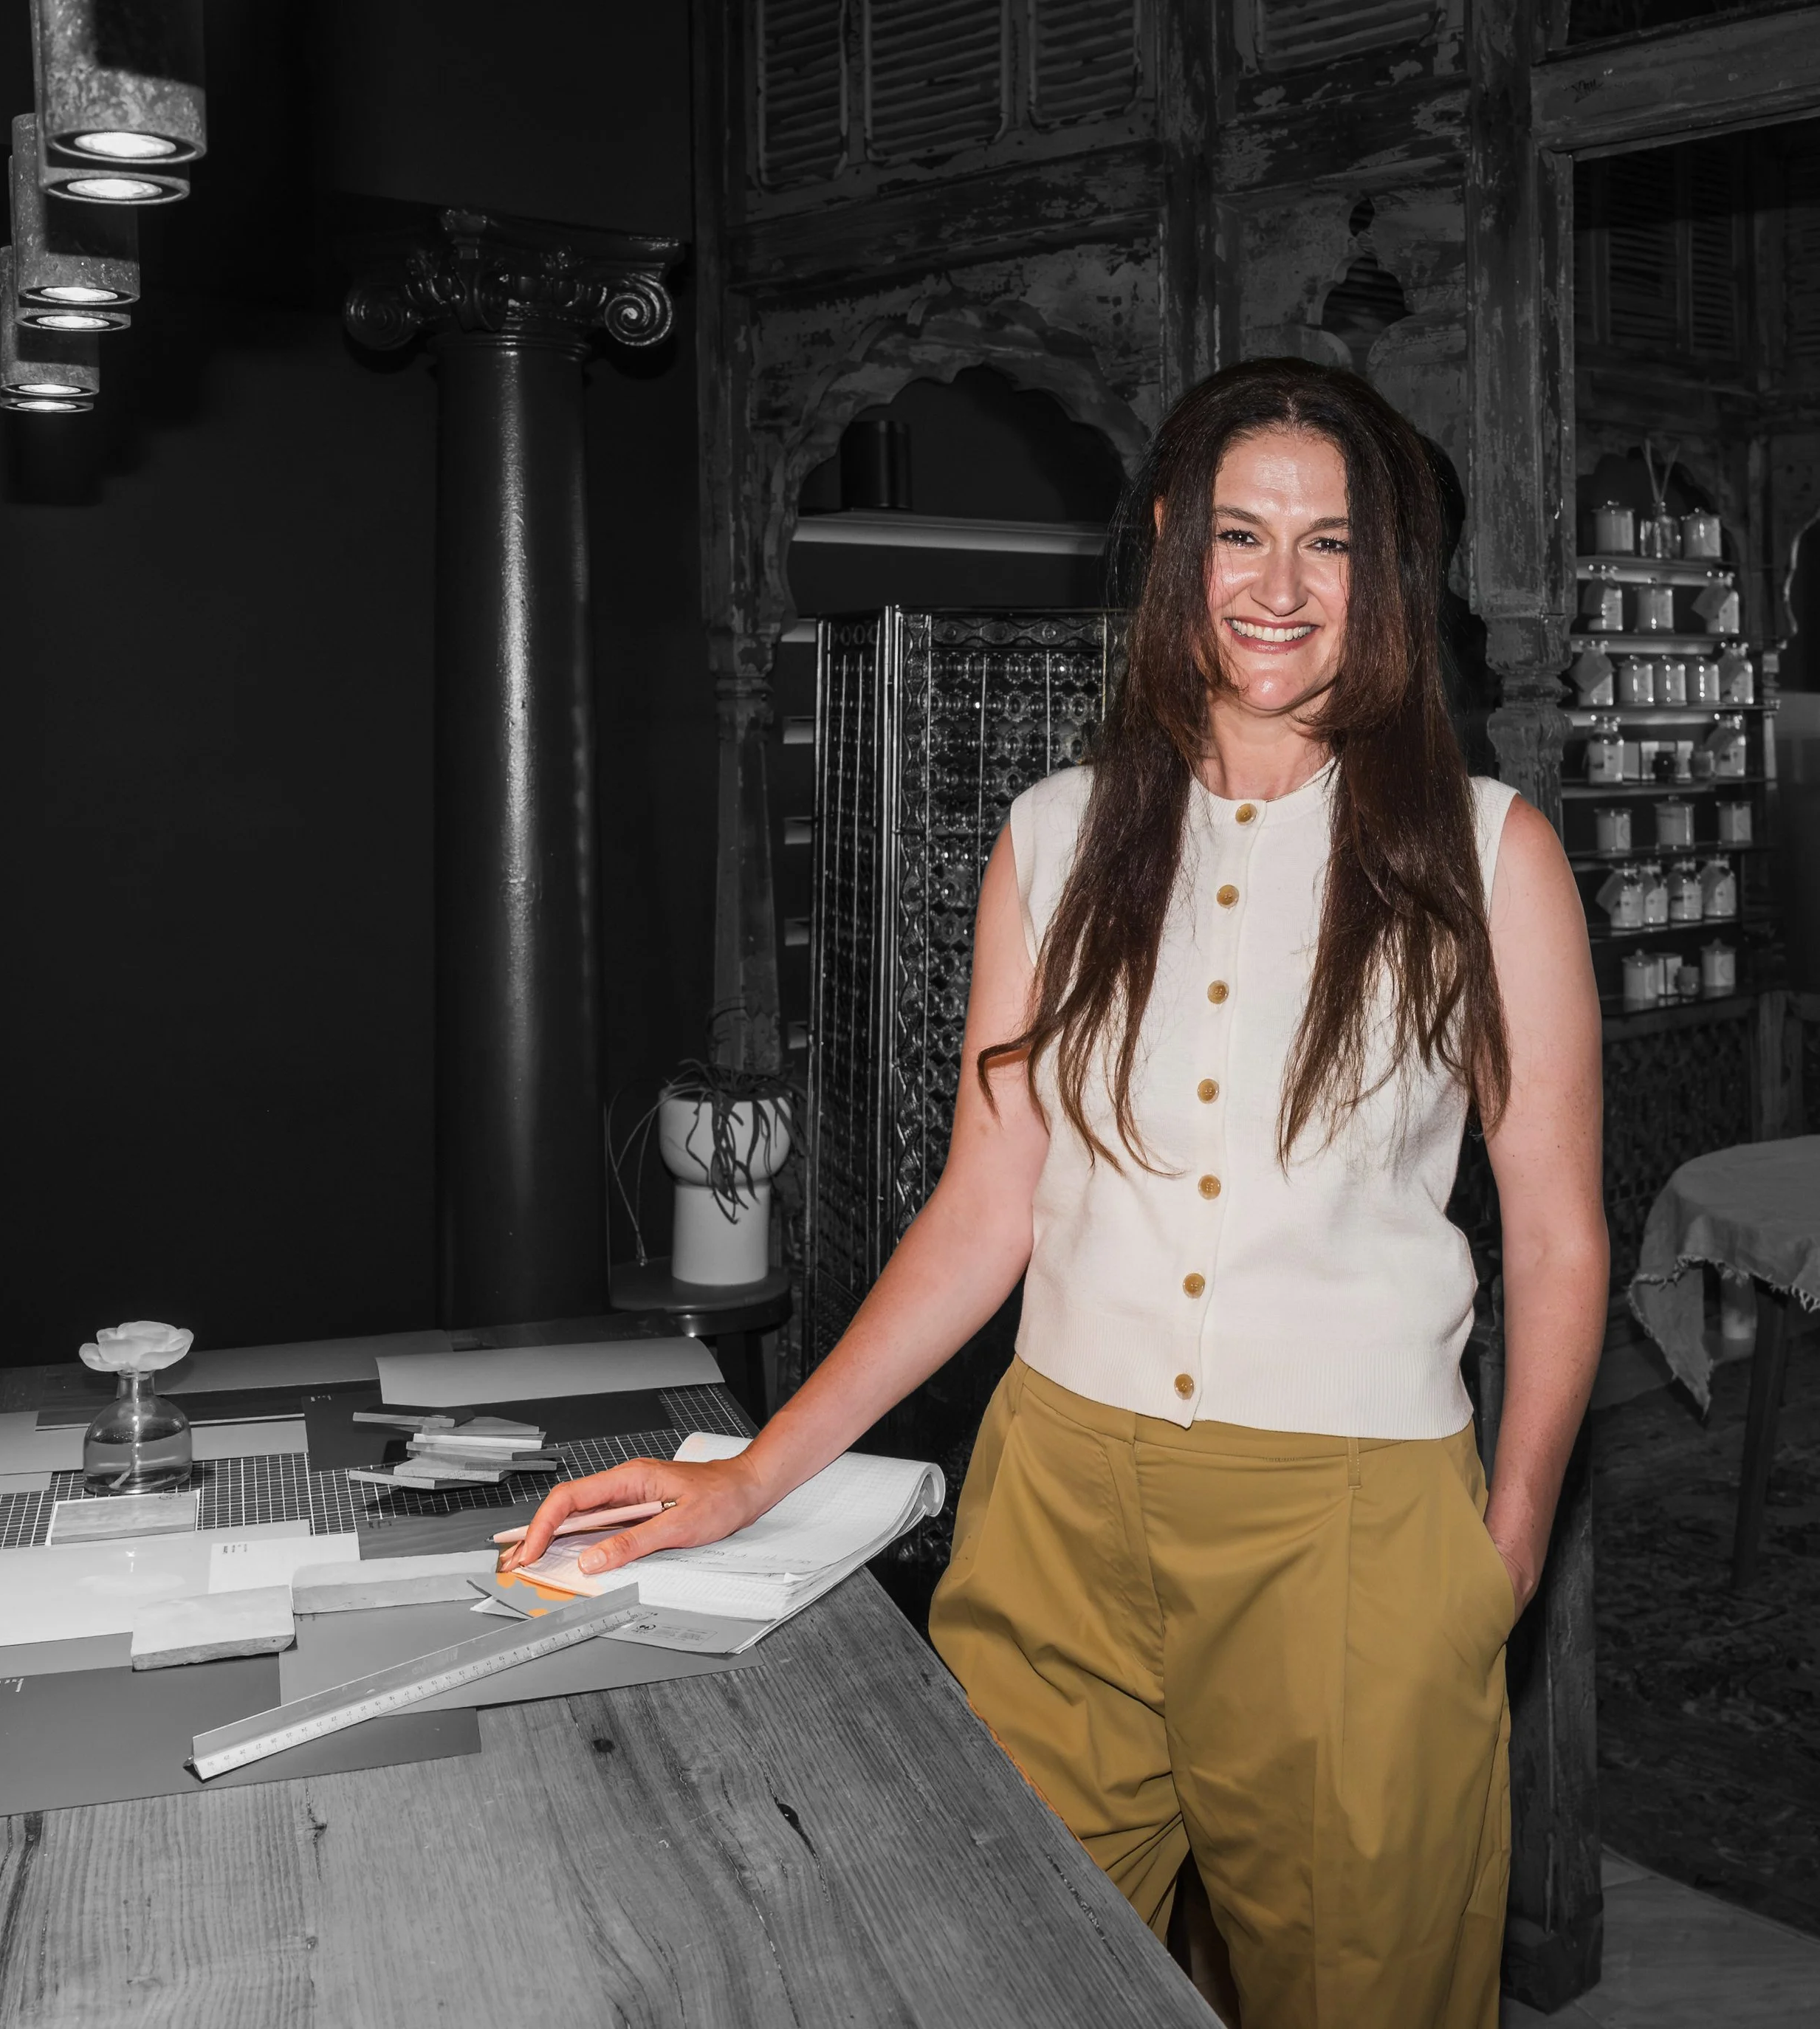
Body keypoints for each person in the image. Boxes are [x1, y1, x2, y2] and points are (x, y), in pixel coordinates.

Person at [506, 358, 1608, 2028]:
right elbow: (983, 1203)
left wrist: (1508, 1540)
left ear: (1386, 580)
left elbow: (1555, 1231)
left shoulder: (1484, 853)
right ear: (1174, 541)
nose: (1280, 587)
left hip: (1350, 1537)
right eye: (1241, 534)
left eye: (1329, 546)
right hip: (1052, 1510)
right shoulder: (1054, 834)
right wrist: (748, 1478)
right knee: (1006, 1972)